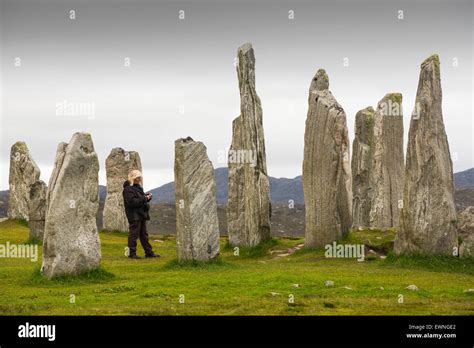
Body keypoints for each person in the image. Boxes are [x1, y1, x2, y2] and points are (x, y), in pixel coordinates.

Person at [122, 169, 160, 259]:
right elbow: (132, 203)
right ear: (132, 178)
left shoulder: (138, 188)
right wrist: (144, 198)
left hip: (141, 215)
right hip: (134, 215)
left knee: (144, 235)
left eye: (139, 177)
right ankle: (131, 253)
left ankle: (149, 252)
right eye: (137, 177)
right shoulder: (127, 190)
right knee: (134, 235)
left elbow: (140, 200)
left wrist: (147, 198)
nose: (138, 179)